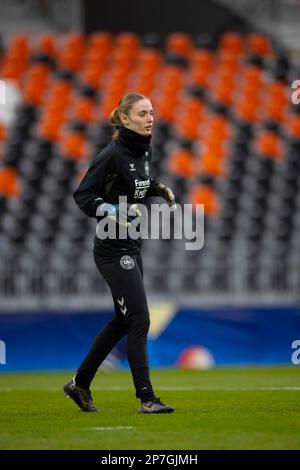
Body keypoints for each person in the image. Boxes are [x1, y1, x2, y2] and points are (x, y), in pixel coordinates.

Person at [63, 92, 176, 414]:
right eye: (142, 113)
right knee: (139, 318)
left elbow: (135, 184)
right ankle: (147, 398)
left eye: (151, 112)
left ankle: (79, 384)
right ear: (124, 119)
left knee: (121, 321)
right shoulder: (111, 154)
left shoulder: (144, 150)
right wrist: (108, 209)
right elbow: (83, 194)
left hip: (132, 244)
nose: (150, 118)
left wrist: (155, 188)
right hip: (113, 249)